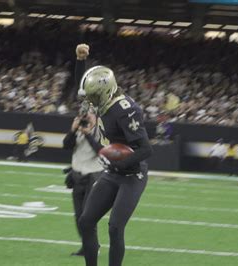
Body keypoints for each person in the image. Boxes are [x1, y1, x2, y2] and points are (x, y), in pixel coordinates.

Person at [75, 43, 153, 266]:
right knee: (86, 221)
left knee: (115, 227)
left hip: (132, 174)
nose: (91, 102)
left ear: (106, 92)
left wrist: (121, 163)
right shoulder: (102, 99)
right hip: (113, 171)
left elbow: (147, 150)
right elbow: (83, 92)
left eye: (95, 97)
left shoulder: (126, 110)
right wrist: (81, 62)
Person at [63, 102, 103, 257]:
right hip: (77, 176)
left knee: (88, 216)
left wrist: (87, 133)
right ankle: (87, 246)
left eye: (90, 113)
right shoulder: (79, 129)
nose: (86, 116)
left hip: (93, 176)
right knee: (79, 216)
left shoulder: (100, 131)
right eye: (84, 114)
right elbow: (66, 145)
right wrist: (73, 130)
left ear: (96, 116)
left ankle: (93, 247)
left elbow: (101, 151)